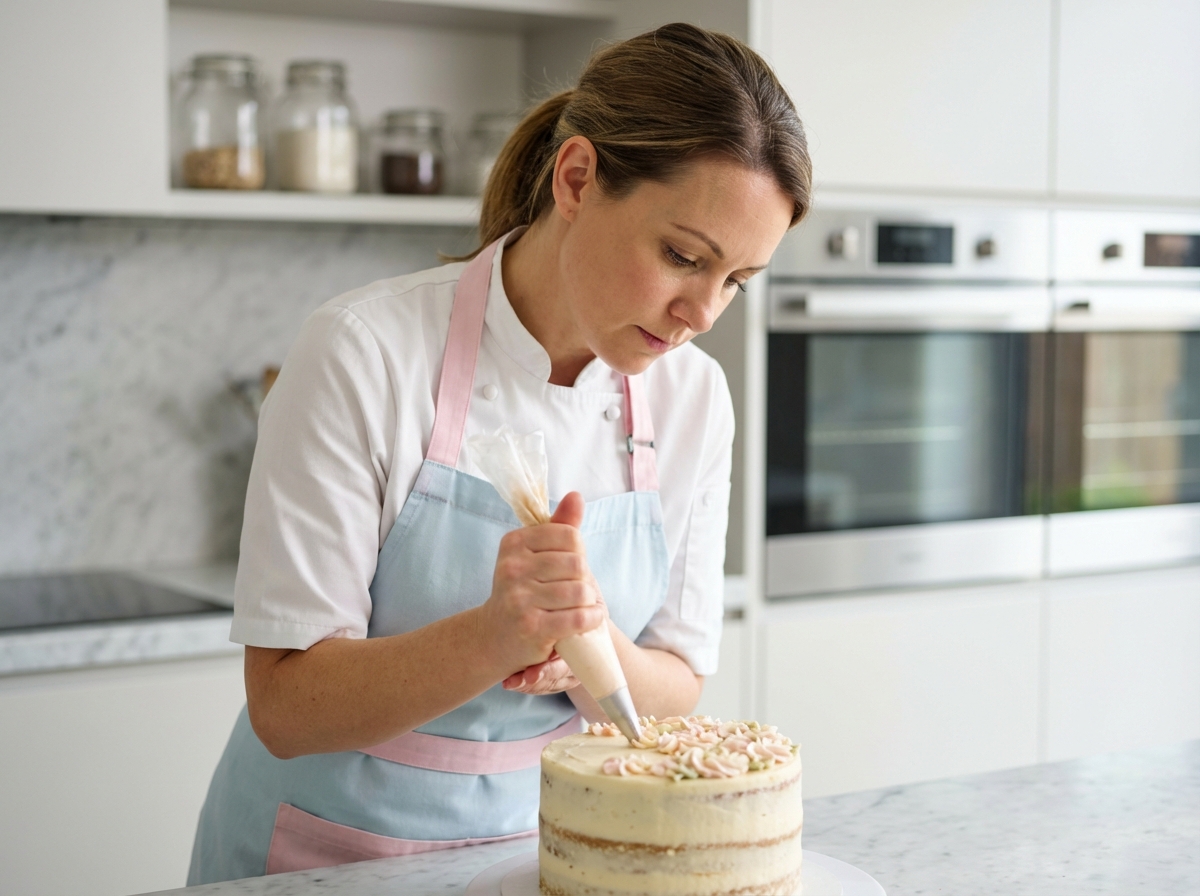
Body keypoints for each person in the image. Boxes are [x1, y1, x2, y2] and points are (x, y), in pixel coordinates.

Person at [188, 22, 811, 884]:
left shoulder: (694, 397)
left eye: (736, 281)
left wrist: (587, 641)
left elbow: (676, 681)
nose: (701, 313)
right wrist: (492, 635)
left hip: (540, 856)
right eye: (682, 257)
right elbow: (287, 707)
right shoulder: (363, 350)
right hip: (327, 858)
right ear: (578, 178)